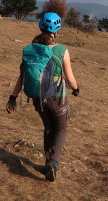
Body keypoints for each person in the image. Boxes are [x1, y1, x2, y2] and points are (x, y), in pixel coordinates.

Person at [6, 12, 79, 182]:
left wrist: (12, 98)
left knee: (48, 128)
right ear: (58, 29)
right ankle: (52, 163)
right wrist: (76, 89)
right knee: (61, 129)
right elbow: (69, 78)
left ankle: (48, 162)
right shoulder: (62, 50)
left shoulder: (32, 49)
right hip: (57, 97)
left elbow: (22, 76)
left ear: (40, 26)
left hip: (37, 98)